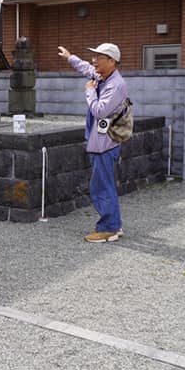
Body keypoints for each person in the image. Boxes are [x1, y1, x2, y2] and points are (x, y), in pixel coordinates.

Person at [58, 43, 129, 243]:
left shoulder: (116, 84)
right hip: (101, 141)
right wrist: (70, 57)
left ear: (112, 61)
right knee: (104, 184)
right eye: (94, 56)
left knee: (101, 187)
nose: (94, 61)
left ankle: (109, 228)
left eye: (99, 57)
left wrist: (89, 91)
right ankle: (113, 224)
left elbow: (100, 111)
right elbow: (87, 69)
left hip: (104, 144)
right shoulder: (103, 76)